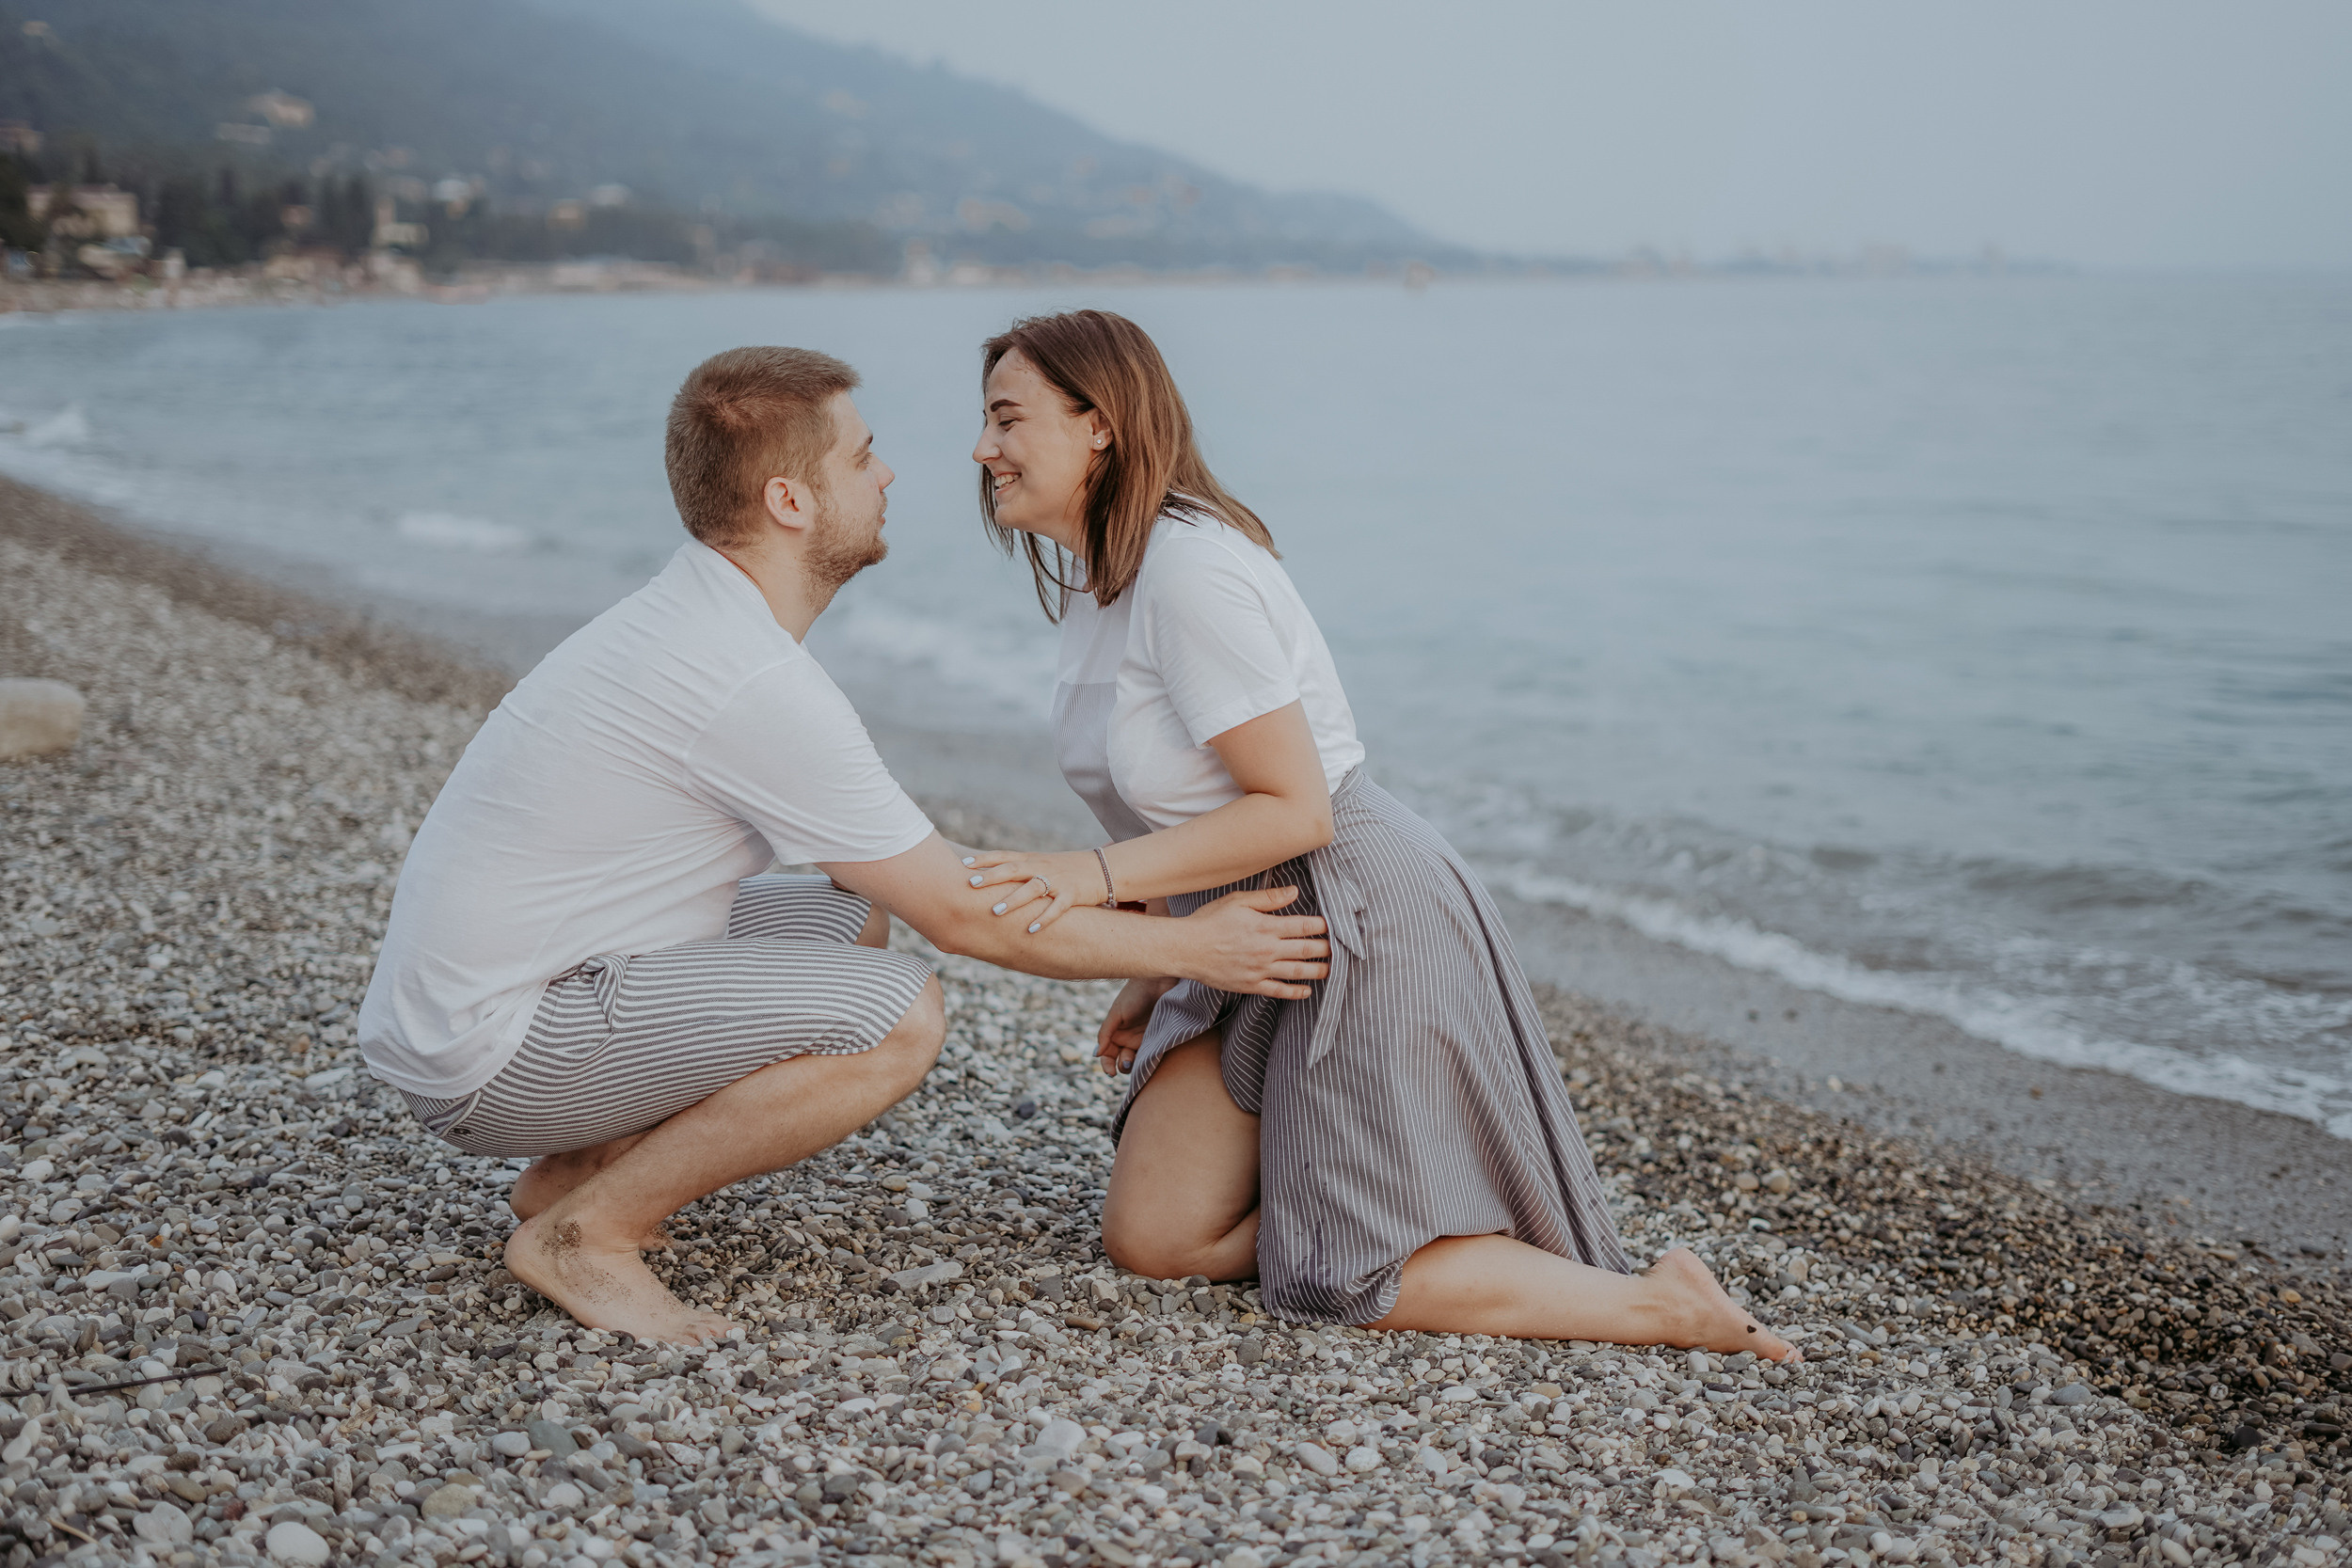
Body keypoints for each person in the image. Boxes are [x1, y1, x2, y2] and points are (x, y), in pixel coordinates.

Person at [357, 345, 1331, 1346]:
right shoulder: (747, 678)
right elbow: (957, 917)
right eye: (863, 456)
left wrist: (1128, 907)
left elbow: (914, 883)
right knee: (898, 1013)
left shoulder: (696, 614)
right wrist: (1189, 950)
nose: (893, 472)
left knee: (851, 905)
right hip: (494, 1045)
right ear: (791, 498)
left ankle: (578, 1166)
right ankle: (589, 1232)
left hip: (484, 995)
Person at [962, 310, 1795, 1357]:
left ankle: (1663, 1303)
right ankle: (1374, 1182)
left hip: (1347, 904)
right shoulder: (1102, 579)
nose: (984, 448)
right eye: (985, 420)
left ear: (1102, 425)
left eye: (1006, 418)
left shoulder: (1189, 573)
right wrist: (1161, 951)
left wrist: (1084, 878)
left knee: (1339, 1276)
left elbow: (1293, 808)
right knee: (1153, 1236)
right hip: (1238, 919)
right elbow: (1191, 803)